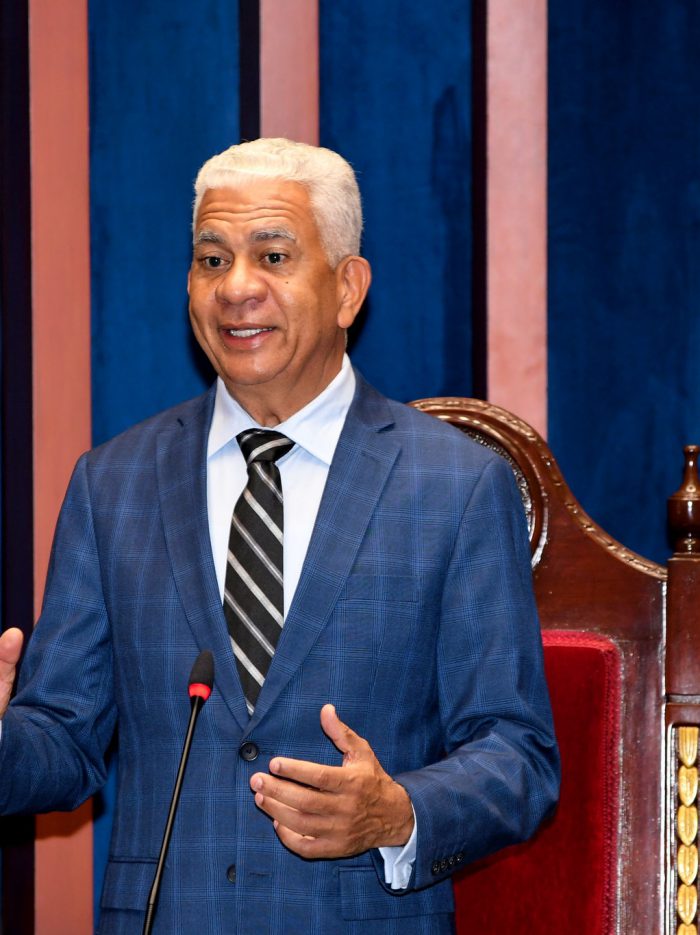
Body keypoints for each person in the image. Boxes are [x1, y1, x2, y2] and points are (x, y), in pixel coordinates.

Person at [0, 138, 559, 934]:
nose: (236, 288)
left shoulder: (456, 486)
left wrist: (399, 811)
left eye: (272, 255)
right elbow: (63, 738)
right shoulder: (113, 483)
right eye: (212, 260)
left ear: (347, 288)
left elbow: (518, 754)